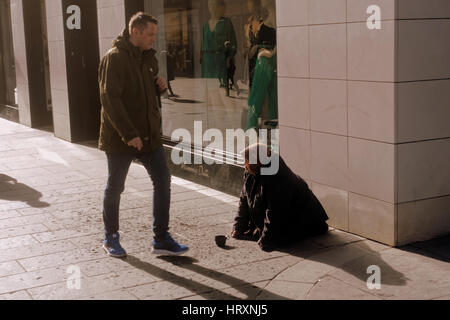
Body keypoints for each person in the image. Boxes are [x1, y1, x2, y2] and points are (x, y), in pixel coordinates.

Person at [98, 12, 188, 258]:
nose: (153, 40)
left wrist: (157, 87)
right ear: (135, 32)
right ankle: (111, 237)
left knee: (163, 181)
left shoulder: (149, 58)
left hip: (149, 136)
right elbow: (110, 100)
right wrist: (129, 134)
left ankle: (161, 238)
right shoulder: (114, 59)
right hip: (121, 138)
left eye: (154, 35)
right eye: (149, 34)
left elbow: (143, 95)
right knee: (115, 187)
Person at [231, 144, 329, 252]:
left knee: (281, 239)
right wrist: (238, 226)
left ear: (258, 161)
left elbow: (275, 210)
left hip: (304, 217)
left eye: (247, 161)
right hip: (284, 214)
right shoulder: (251, 171)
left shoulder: (278, 176)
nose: (245, 164)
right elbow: (244, 199)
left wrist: (266, 239)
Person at [247, 0, 278, 130]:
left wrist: (271, 53)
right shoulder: (271, 16)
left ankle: (251, 127)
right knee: (271, 95)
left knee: (257, 95)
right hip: (267, 58)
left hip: (266, 60)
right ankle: (273, 128)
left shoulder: (276, 16)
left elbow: (282, 36)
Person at [200, 0, 237, 96]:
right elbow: (202, 43)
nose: (212, 7)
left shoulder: (226, 22)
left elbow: (232, 41)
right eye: (210, 5)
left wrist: (229, 57)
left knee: (223, 93)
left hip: (221, 58)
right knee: (210, 92)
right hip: (208, 60)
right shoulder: (205, 25)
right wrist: (202, 58)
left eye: (214, 5)